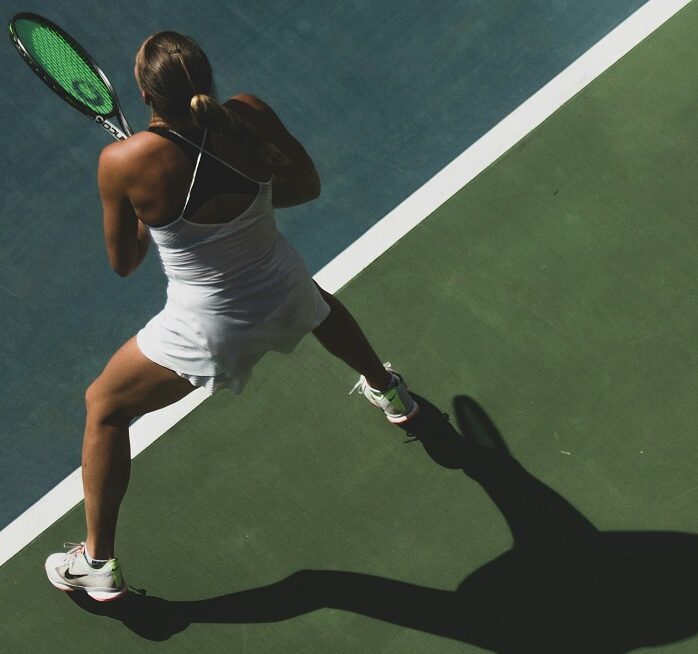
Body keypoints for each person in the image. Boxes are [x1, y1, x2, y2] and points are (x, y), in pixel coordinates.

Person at [44, 31, 418, 602]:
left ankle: (97, 561)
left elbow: (125, 262)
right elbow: (305, 186)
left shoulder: (123, 161)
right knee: (311, 300)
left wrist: (151, 217)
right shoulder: (248, 113)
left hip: (208, 329)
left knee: (104, 405)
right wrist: (245, 213)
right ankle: (390, 391)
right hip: (281, 283)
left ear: (144, 91)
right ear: (206, 78)